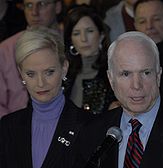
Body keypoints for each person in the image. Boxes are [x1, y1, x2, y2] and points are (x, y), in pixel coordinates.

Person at [73, 31, 163, 168]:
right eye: (126, 74)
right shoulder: (92, 133)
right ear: (111, 79)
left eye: (146, 72)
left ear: (159, 75)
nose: (137, 85)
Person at [0, 26, 91, 168]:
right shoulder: (7, 127)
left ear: (64, 69)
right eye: (31, 74)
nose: (41, 83)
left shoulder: (89, 126)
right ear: (21, 74)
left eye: (49, 72)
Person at [0, 0, 62, 118]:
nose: (34, 12)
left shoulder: (74, 41)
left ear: (57, 6)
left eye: (42, 4)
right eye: (29, 5)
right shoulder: (5, 50)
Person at [64, 4, 116, 114]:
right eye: (76, 33)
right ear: (71, 40)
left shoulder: (114, 74)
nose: (83, 39)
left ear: (101, 35)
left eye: (90, 31)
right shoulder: (64, 75)